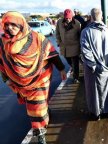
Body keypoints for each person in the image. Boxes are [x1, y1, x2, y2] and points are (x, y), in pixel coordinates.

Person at [0, 11, 67, 144]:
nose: (10, 28)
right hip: (21, 84)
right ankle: (45, 113)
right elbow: (2, 63)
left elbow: (52, 54)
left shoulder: (37, 38)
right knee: (37, 107)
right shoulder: (4, 43)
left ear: (22, 26)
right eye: (7, 25)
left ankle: (40, 133)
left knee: (35, 109)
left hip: (40, 78)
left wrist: (61, 69)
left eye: (14, 25)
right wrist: (6, 79)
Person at [80, 8, 108, 120]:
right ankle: (106, 112)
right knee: (106, 90)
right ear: (101, 17)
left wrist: (94, 66)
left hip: (93, 70)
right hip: (106, 68)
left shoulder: (85, 32)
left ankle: (95, 114)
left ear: (91, 17)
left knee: (93, 92)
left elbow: (86, 52)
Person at [56, 9, 81, 83]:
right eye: (66, 18)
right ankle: (73, 68)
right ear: (64, 17)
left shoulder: (77, 23)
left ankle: (76, 77)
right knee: (69, 61)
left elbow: (80, 35)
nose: (68, 20)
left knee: (75, 63)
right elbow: (57, 33)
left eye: (69, 18)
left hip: (74, 46)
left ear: (72, 17)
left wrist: (80, 46)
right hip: (64, 47)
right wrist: (59, 42)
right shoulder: (59, 22)